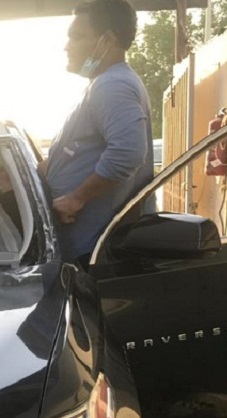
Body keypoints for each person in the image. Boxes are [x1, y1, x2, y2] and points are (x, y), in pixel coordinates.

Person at [42, 0, 154, 267]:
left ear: (107, 40)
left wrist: (76, 198)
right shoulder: (104, 83)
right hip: (91, 247)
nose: (67, 46)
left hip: (96, 250)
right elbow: (76, 156)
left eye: (77, 36)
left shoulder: (112, 85)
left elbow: (127, 153)